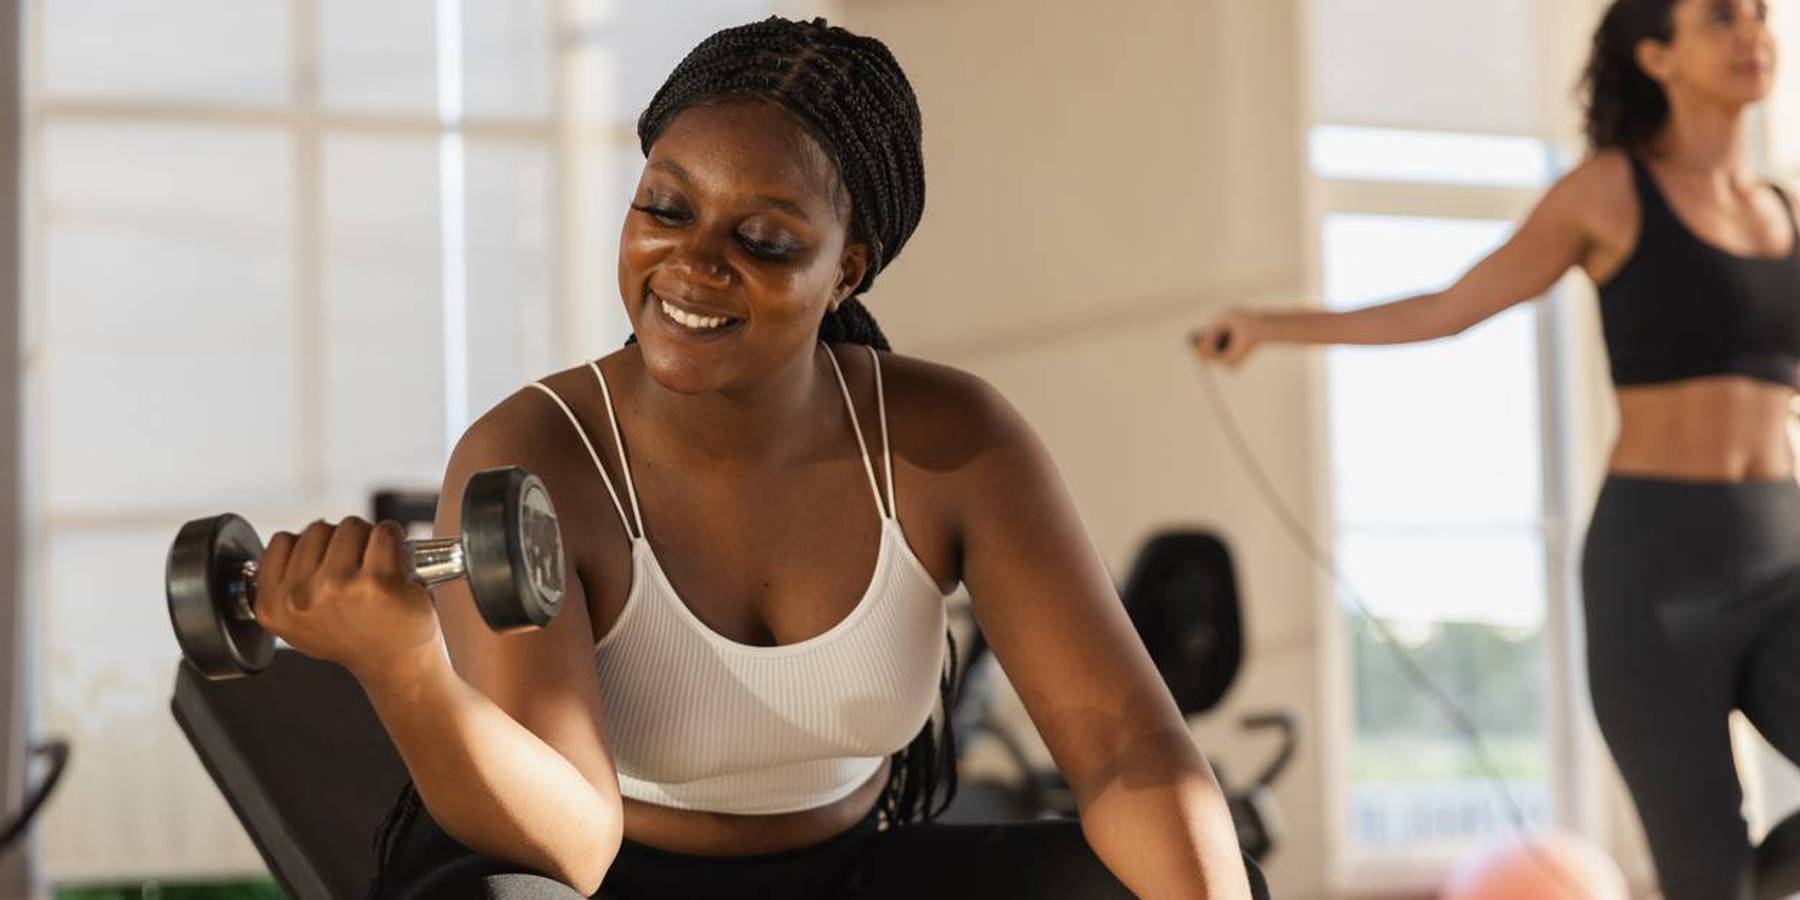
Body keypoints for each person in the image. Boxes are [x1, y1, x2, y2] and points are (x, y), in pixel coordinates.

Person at [249, 16, 1258, 900]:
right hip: (586, 877)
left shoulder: (950, 442)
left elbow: (1128, 749)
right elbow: (573, 842)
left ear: (845, 269)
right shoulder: (534, 453)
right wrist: (406, 667)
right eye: (665, 208)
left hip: (846, 872)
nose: (693, 263)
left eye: (765, 240)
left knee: (1189, 878)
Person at [1195, 1, 1798, 897]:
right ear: (1658, 57)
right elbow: (1446, 309)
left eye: (1760, 15)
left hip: (1781, 555)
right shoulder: (1608, 191)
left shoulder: (1785, 210)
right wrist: (1270, 325)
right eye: (1721, 17)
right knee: (1706, 872)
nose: (1753, 35)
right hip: (1655, 575)